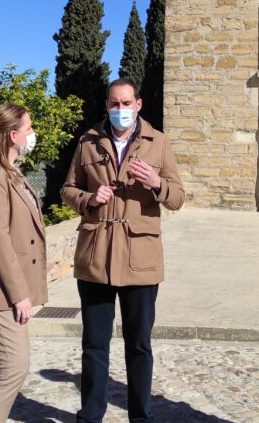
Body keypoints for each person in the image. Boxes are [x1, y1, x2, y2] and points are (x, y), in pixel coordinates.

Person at [62, 78, 186, 423]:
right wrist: (89, 199)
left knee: (139, 345)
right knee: (94, 345)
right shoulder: (88, 141)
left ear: (139, 105)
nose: (120, 110)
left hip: (140, 260)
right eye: (114, 104)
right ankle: (90, 416)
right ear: (106, 105)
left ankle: (140, 417)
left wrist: (157, 183)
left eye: (126, 104)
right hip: (95, 259)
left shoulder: (158, 142)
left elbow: (177, 197)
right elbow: (68, 189)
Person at [0, 103, 48, 423]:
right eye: (28, 128)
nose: (32, 134)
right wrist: (19, 293)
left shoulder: (8, 171)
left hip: (8, 288)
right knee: (14, 367)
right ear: (13, 135)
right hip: (1, 290)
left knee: (0, 366)